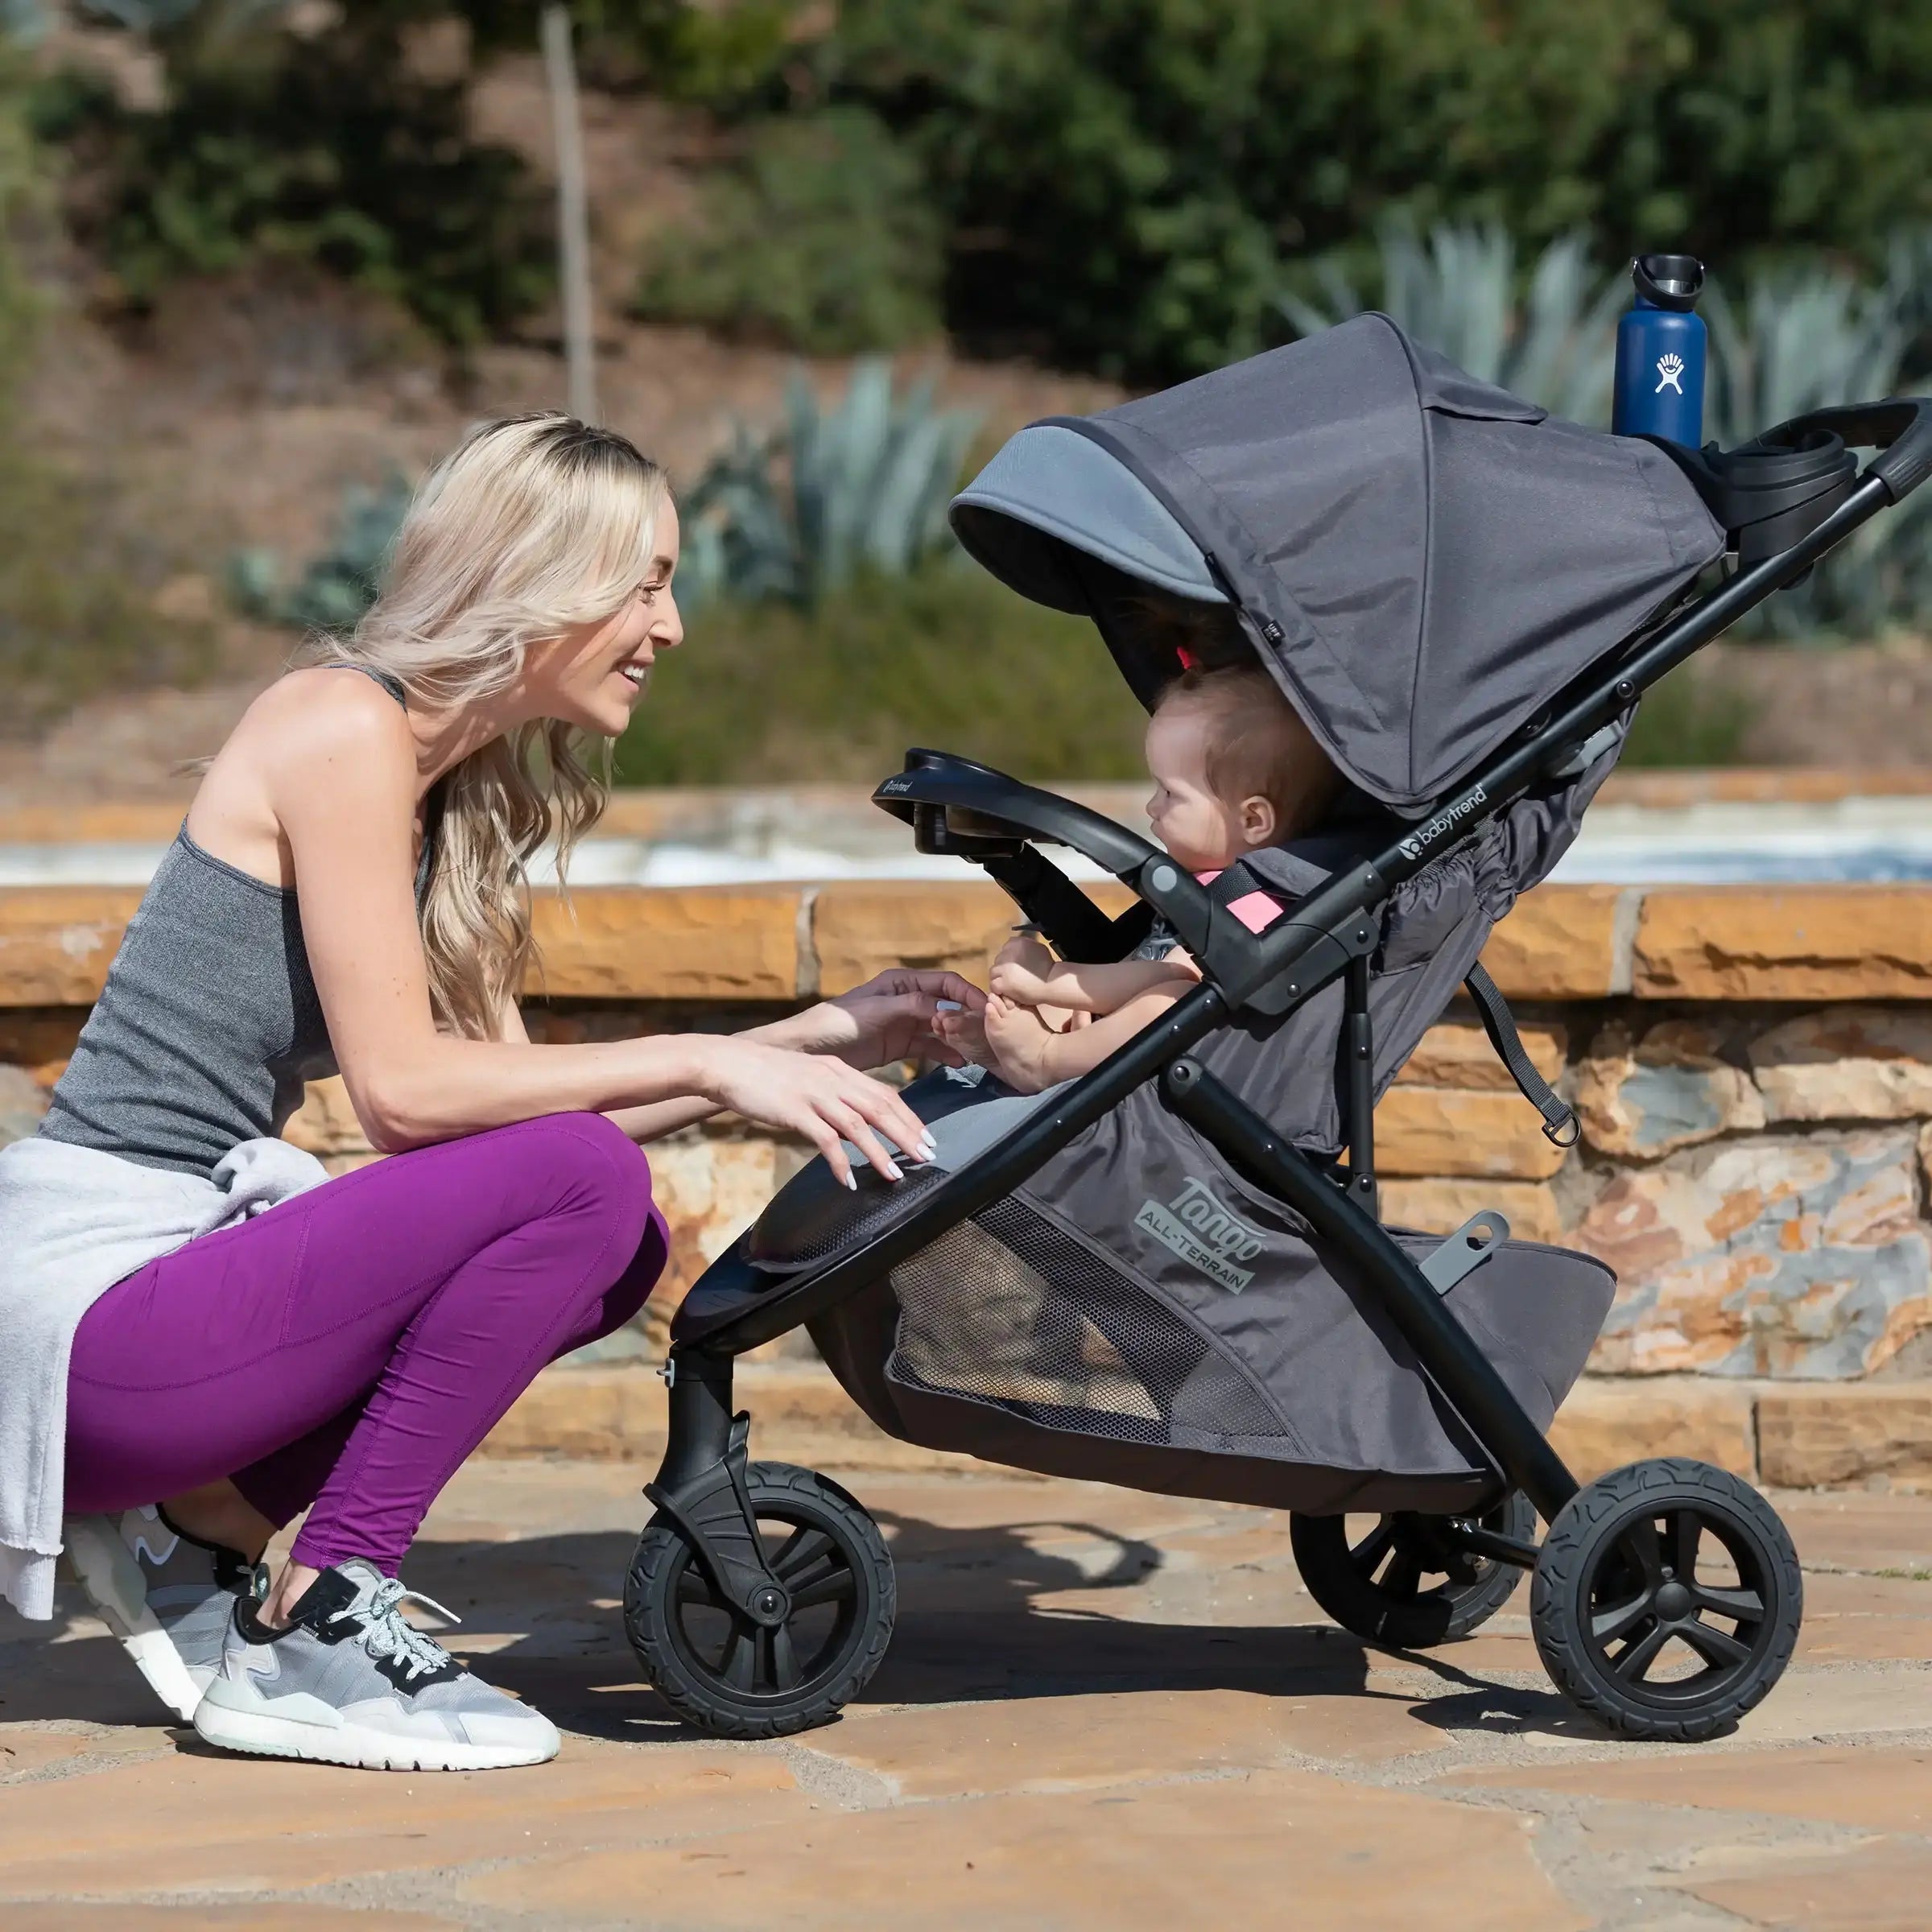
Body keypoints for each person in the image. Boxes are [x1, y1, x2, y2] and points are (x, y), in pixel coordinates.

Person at [0, 412, 982, 1773]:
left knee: (610, 1232)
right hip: (92, 1317)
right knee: (591, 1184)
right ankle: (327, 1607)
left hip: (153, 1334)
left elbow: (528, 1132)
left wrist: (827, 1032)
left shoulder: (441, 798)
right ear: (542, 576)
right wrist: (711, 1059)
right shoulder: (341, 723)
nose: (673, 625)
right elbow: (408, 1097)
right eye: (646, 581)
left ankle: (210, 1531)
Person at [943, 658, 1336, 1093]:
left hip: (1194, 1055)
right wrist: (1058, 997)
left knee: (1170, 1000)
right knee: (1081, 988)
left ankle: (1046, 1060)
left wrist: (1053, 980)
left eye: (1170, 793)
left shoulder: (1260, 904)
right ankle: (1018, 1050)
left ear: (1253, 819)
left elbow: (1174, 976)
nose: (1153, 807)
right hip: (1123, 1035)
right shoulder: (1206, 882)